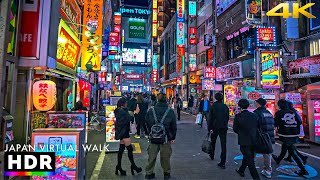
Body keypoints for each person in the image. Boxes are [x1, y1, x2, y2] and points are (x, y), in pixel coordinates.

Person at [145, 93, 177, 180]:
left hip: (153, 138)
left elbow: (147, 122)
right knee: (165, 157)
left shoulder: (151, 110)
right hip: (165, 138)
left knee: (151, 156)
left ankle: (149, 173)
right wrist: (173, 137)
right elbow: (173, 126)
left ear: (157, 100)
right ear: (166, 100)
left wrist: (149, 133)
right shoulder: (169, 111)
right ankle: (166, 174)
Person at [273, 99, 308, 176]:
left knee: (292, 151)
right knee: (286, 147)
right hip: (294, 133)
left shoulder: (279, 113)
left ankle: (303, 169)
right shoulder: (294, 112)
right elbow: (299, 122)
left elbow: (275, 123)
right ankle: (278, 159)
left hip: (285, 134)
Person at [233, 99, 261, 180]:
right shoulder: (254, 115)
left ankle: (256, 178)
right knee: (248, 155)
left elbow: (235, 129)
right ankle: (241, 170)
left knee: (250, 161)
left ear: (239, 106)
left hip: (243, 140)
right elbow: (258, 126)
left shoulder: (238, 116)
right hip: (254, 139)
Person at [114, 98, 142, 176]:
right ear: (123, 104)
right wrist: (136, 113)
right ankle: (133, 166)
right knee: (129, 149)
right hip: (124, 132)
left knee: (121, 149)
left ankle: (119, 166)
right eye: (125, 103)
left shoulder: (119, 110)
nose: (127, 104)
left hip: (122, 131)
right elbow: (129, 119)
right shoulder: (122, 111)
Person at [253, 98, 275, 179]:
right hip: (269, 136)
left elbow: (254, 125)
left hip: (260, 136)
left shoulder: (256, 113)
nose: (255, 104)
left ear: (258, 103)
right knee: (267, 153)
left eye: (255, 102)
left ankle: (252, 167)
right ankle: (268, 170)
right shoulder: (269, 113)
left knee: (253, 151)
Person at [207, 93, 229, 169]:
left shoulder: (213, 106)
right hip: (223, 127)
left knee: (213, 141)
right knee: (223, 144)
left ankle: (212, 154)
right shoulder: (225, 106)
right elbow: (227, 117)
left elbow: (210, 118)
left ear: (215, 98)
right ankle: (223, 161)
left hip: (214, 127)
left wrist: (209, 128)